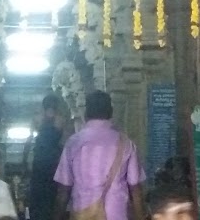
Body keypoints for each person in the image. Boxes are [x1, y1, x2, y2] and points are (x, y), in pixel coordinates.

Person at [54, 91, 144, 220]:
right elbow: (135, 190)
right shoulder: (126, 144)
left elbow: (63, 192)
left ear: (86, 113)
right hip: (116, 215)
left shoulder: (73, 143)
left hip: (83, 215)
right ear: (111, 112)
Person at [27, 94, 67, 220]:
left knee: (37, 194)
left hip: (39, 159)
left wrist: (24, 161)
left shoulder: (37, 119)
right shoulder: (60, 120)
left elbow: (29, 140)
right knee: (51, 195)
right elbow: (64, 142)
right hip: (54, 161)